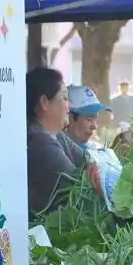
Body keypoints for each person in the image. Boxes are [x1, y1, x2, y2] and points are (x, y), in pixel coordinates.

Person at [26, 67, 92, 219]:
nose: (69, 106)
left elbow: (88, 161)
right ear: (44, 103)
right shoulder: (39, 143)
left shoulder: (58, 136)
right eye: (64, 98)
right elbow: (80, 187)